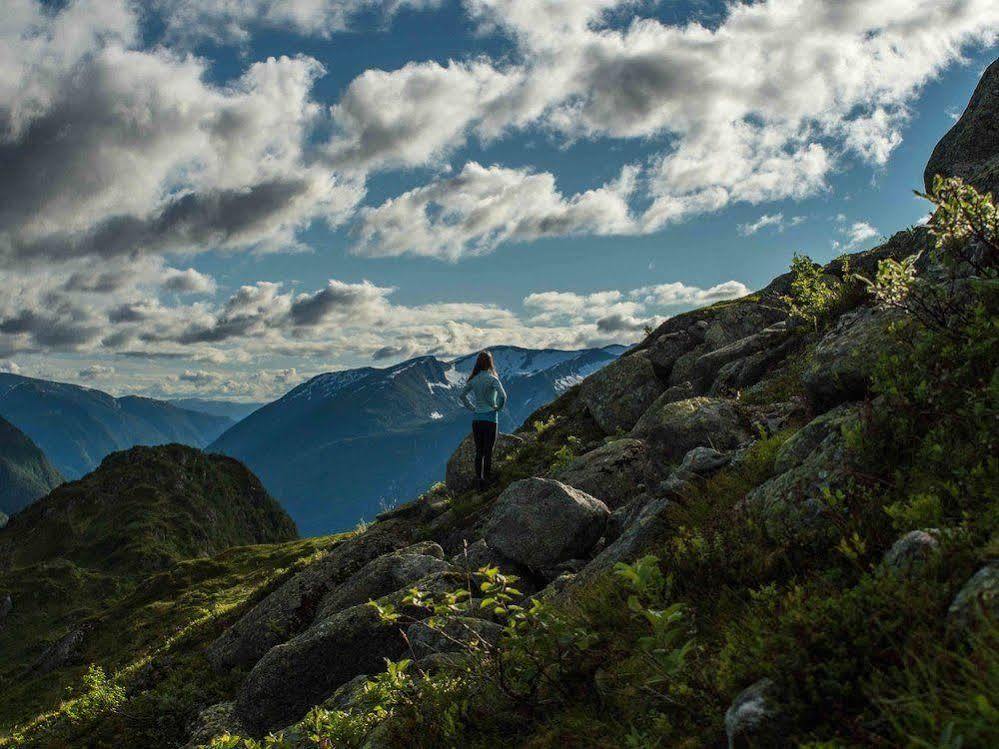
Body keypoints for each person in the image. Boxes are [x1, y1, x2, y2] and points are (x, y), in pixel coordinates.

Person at [459, 351, 507, 490]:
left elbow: (462, 396)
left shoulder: (473, 380)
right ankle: (486, 480)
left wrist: (472, 408)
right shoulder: (493, 379)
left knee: (479, 451)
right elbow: (503, 396)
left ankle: (478, 480)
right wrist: (498, 407)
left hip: (477, 420)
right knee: (488, 452)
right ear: (490, 363)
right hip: (491, 419)